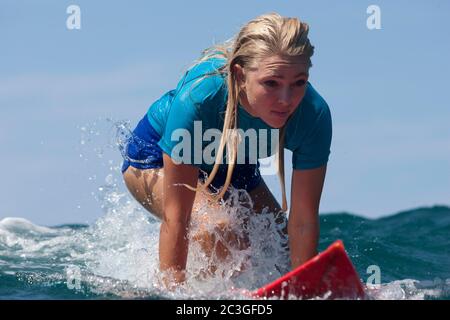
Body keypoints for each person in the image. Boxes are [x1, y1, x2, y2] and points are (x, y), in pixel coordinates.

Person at [121, 12, 332, 288]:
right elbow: (178, 217)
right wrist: (170, 294)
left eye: (299, 82)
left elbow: (302, 221)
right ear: (239, 74)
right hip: (153, 158)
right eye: (271, 83)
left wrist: (305, 290)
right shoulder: (200, 99)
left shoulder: (312, 115)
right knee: (218, 229)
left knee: (279, 242)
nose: (286, 99)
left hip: (234, 163)